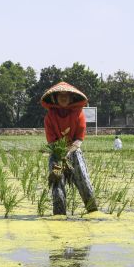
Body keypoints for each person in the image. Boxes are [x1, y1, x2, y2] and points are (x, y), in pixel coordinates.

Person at [41, 82, 98, 215]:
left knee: (83, 180)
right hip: (57, 153)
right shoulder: (50, 117)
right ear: (55, 98)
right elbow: (51, 142)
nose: (63, 97)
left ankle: (93, 211)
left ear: (72, 98)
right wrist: (61, 155)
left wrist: (69, 152)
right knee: (57, 186)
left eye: (67, 95)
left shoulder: (79, 114)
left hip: (74, 151)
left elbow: (79, 139)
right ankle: (59, 216)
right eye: (60, 95)